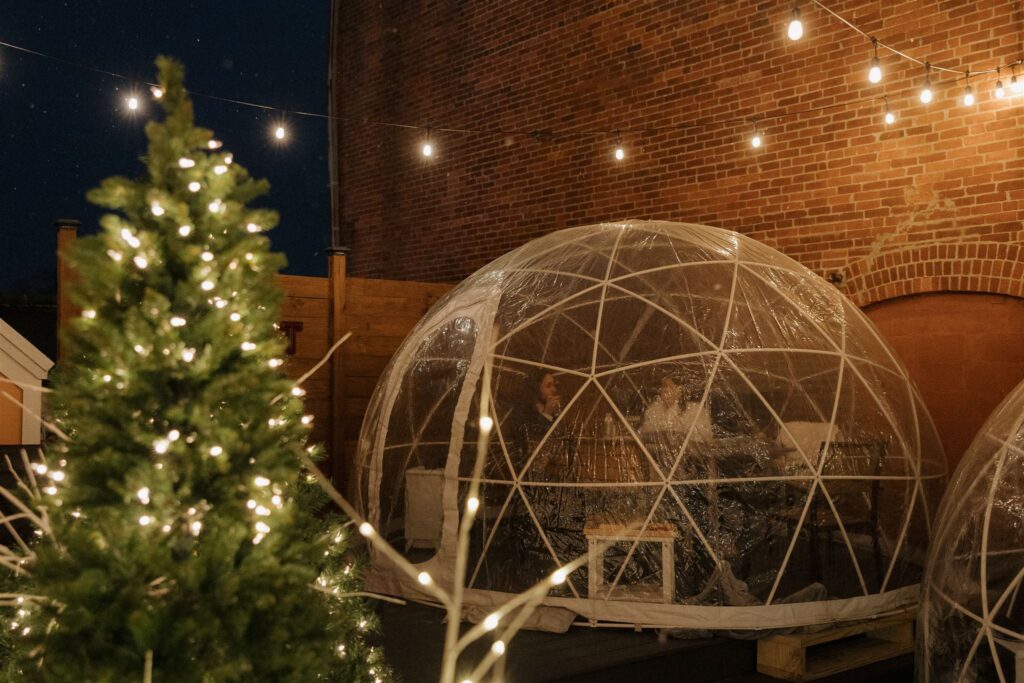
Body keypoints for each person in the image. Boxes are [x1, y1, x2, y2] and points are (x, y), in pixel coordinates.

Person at [640, 375, 713, 441]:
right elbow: (646, 433)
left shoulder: (696, 411)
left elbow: (702, 437)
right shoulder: (653, 411)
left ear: (679, 390)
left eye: (669, 386)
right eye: (663, 386)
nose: (664, 390)